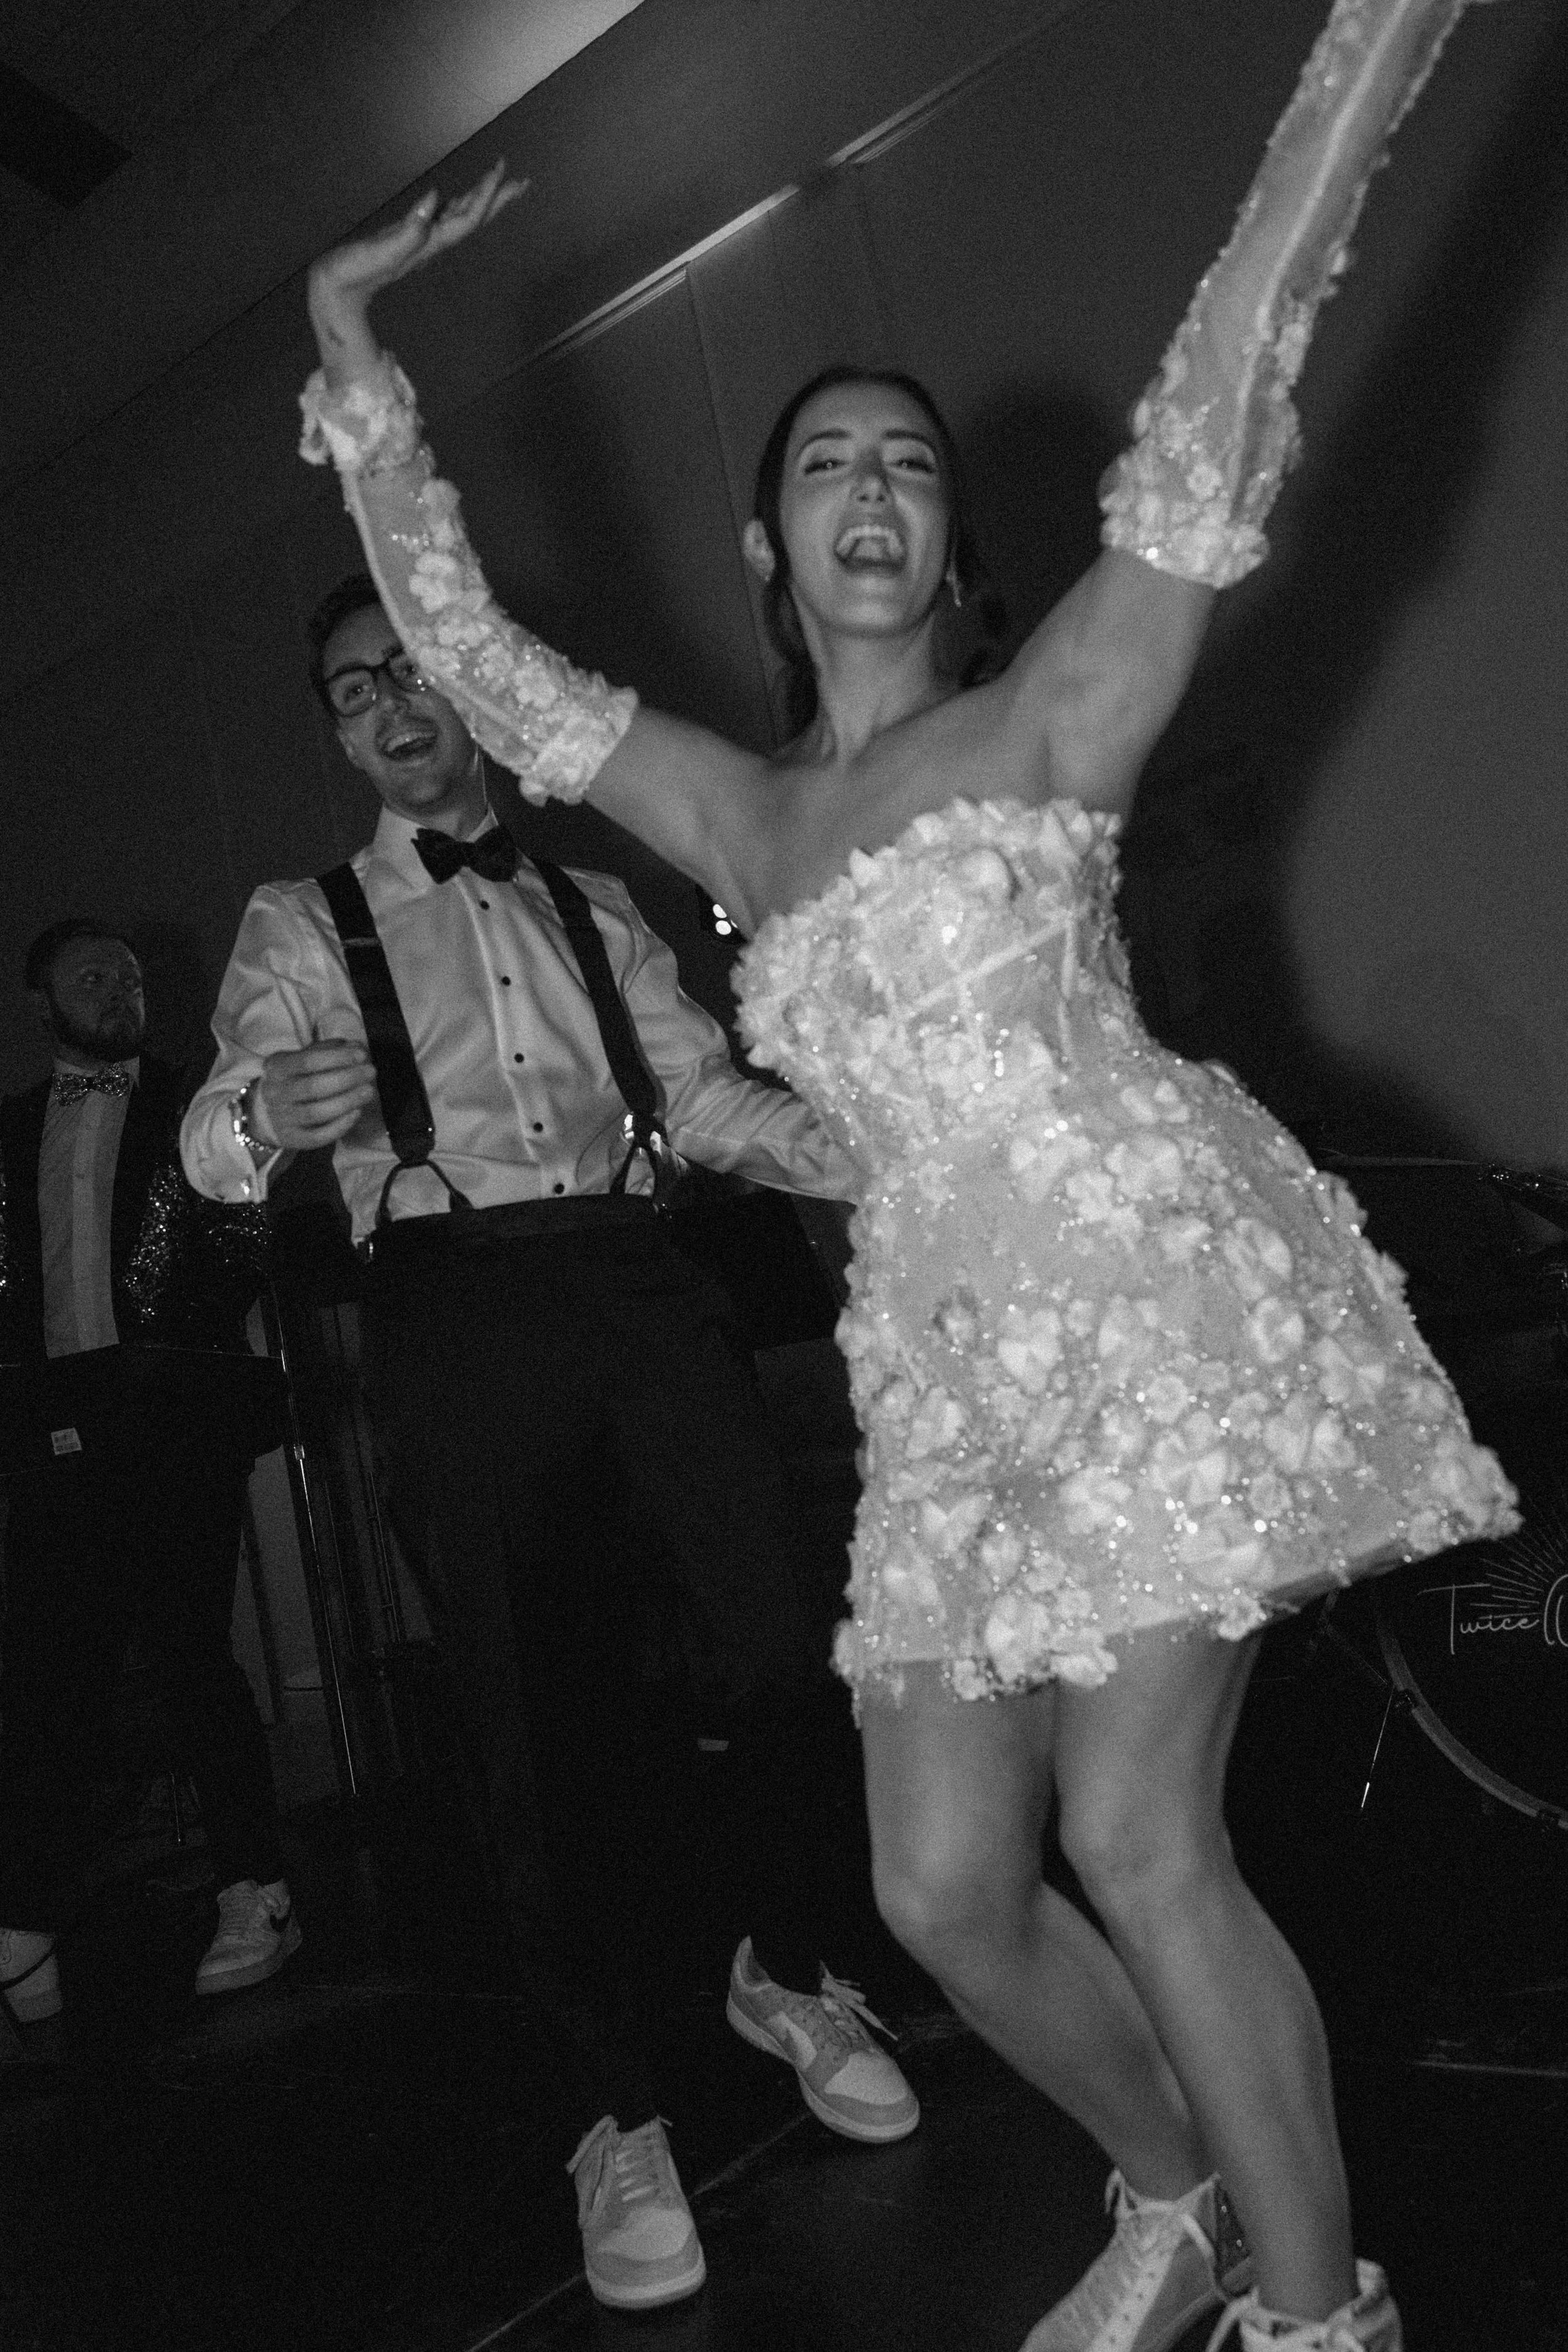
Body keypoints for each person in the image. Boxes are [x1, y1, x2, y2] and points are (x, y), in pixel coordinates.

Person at [292, 2, 1518, 2344]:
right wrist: (348, 351)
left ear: (952, 536)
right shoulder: (732, 816)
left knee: (1140, 1838)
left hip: (1146, 1305)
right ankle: (1170, 2197)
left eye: (914, 464)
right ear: (768, 544)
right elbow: (468, 649)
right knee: (945, 1890)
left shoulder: (1054, 703)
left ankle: (1316, 2310)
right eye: (830, 462)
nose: (875, 485)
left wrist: (1374, 37)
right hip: (946, 1383)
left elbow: (1241, 355)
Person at [180, 587, 919, 2312]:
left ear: (474, 697)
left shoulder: (592, 900)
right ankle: (618, 2102)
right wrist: (251, 1122)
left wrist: (885, 1152)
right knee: (534, 1711)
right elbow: (227, 1119)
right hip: (453, 1301)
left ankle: (783, 1963)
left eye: (411, 672)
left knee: (777, 1638)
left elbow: (706, 1101)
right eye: (351, 687)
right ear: (339, 730)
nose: (386, 704)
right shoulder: (301, 919)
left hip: (640, 1279)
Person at [0, 923, 299, 2028]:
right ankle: (26, 1925)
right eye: (92, 975)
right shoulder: (14, 1129)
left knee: (186, 1648)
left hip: (171, 1414)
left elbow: (239, 1243)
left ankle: (254, 1888)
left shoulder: (193, 1102)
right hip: (53, 1428)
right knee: (46, 1671)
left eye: (127, 976)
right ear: (43, 1001)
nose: (118, 990)